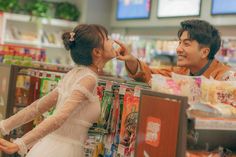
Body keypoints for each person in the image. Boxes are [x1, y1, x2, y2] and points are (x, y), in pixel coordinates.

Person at [0, 24, 118, 157]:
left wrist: (4, 125)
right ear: (97, 52)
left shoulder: (74, 74)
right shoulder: (88, 79)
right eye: (107, 38)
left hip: (50, 146)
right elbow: (59, 117)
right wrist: (19, 143)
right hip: (64, 151)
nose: (113, 41)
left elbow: (36, 108)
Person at [116, 19, 236, 83]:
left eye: (186, 44)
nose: (178, 49)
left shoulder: (225, 78)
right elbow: (149, 74)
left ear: (204, 52)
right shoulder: (182, 72)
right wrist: (131, 60)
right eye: (179, 42)